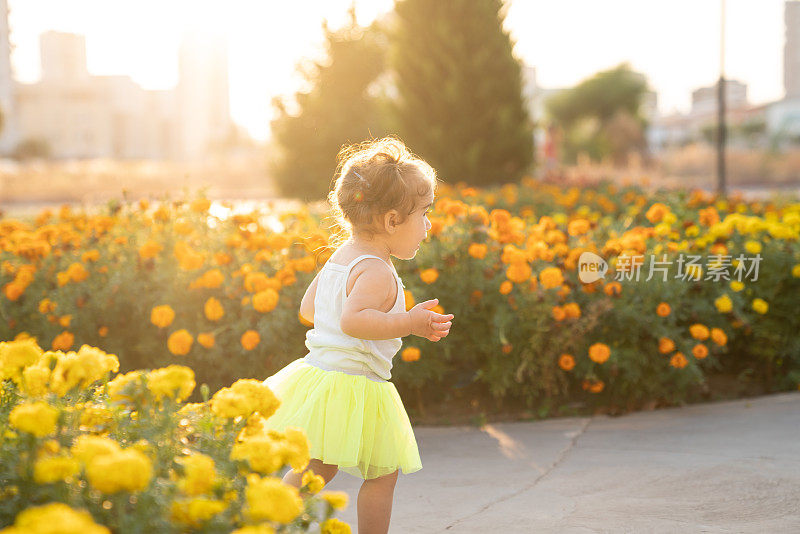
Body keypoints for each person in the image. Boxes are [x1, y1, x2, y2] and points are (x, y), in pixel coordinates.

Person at [261, 136, 454, 534]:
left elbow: (308, 309)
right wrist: (410, 323)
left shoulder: (341, 257)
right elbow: (353, 321)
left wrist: (346, 319)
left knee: (316, 467)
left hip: (323, 375)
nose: (429, 225)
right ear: (391, 221)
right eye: (424, 214)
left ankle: (269, 521)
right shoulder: (377, 269)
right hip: (355, 382)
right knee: (382, 474)